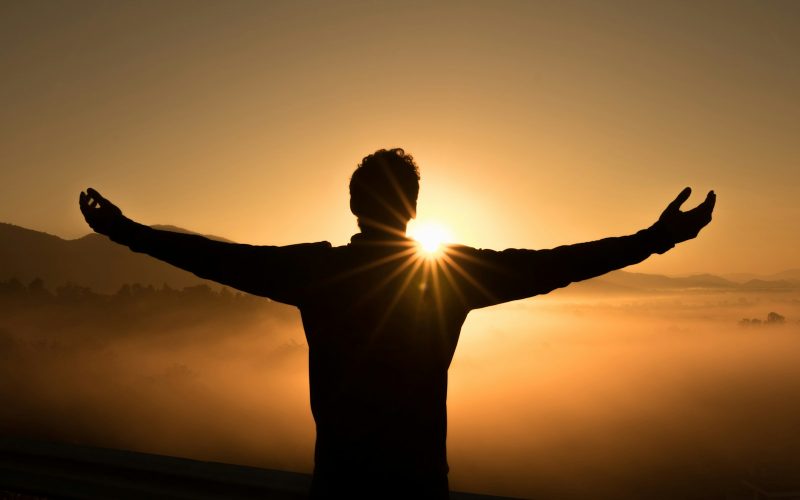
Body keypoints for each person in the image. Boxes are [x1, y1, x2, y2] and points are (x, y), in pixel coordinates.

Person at [79, 148, 715, 498]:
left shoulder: (318, 274)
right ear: (413, 209)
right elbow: (558, 266)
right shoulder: (449, 278)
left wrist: (126, 232)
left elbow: (214, 258)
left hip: (341, 489)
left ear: (355, 205)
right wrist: (652, 241)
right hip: (417, 491)